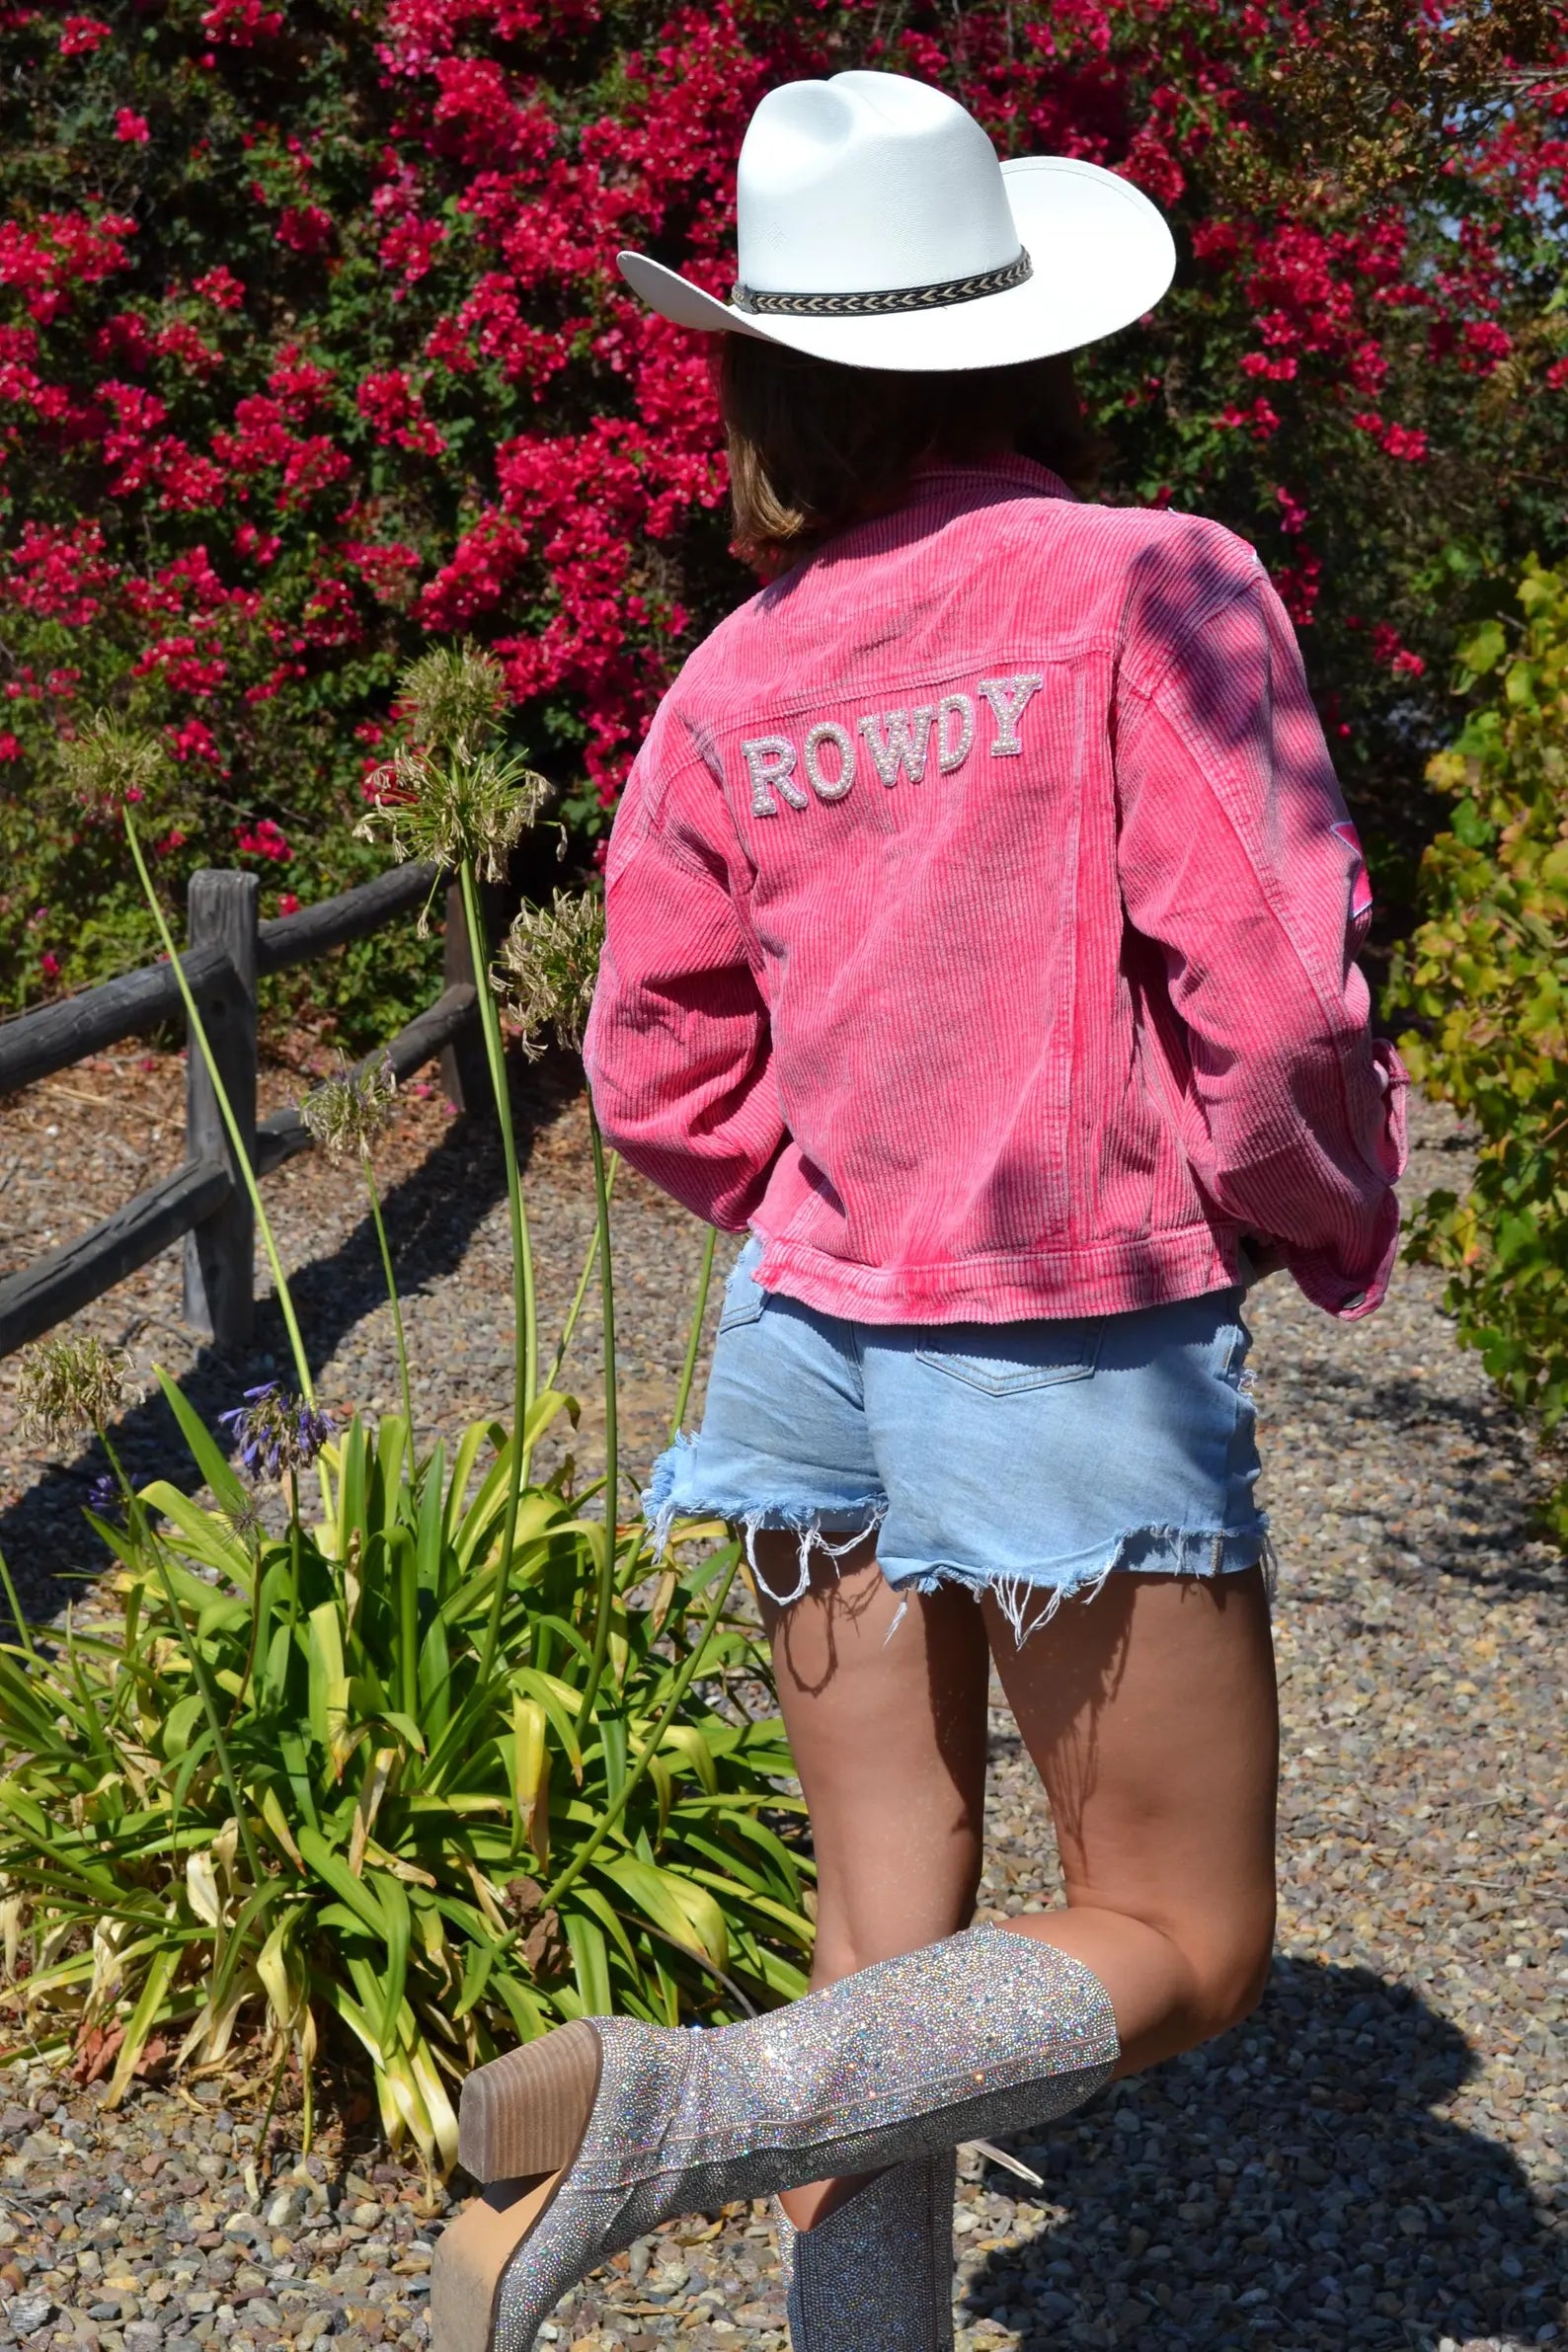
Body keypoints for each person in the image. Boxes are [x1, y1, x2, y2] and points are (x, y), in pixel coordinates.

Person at [431, 66, 1407, 2352]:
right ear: (1020, 336)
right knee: (1176, 1939)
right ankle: (678, 2113)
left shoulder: (728, 677)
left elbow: (651, 1068)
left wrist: (827, 1201)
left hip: (805, 1319)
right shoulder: (1148, 583)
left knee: (887, 1938)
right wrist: (1305, 1210)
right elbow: (1270, 1015)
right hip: (1057, 1327)